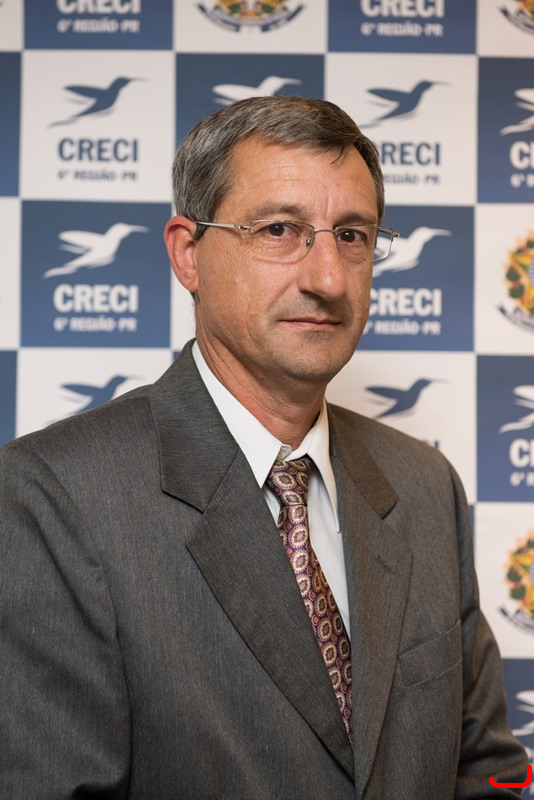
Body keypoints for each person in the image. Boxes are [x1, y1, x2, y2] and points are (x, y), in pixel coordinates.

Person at [0, 96, 528, 799]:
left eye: (352, 235)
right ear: (188, 254)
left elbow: (486, 771)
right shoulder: (53, 496)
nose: (327, 278)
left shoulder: (424, 484)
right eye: (280, 229)